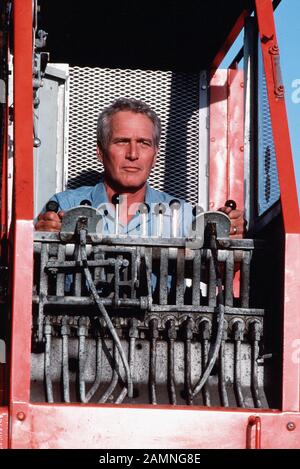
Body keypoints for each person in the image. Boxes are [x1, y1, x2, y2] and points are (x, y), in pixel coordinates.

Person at [35, 98, 245, 236]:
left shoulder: (183, 216)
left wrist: (230, 237)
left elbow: (217, 270)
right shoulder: (64, 206)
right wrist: (42, 239)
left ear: (155, 155)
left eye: (143, 143)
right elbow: (32, 275)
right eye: (121, 141)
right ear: (100, 151)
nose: (133, 154)